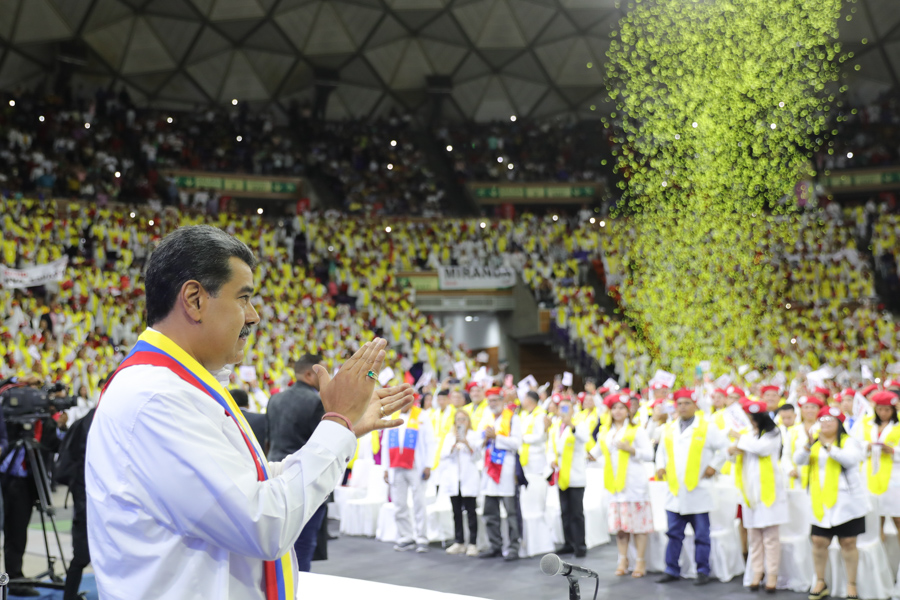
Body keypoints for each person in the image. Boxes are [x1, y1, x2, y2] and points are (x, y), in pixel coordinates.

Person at [86, 224, 414, 599]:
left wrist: (342, 430)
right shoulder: (157, 397)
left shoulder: (178, 385)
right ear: (194, 299)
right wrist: (336, 424)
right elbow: (262, 524)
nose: (254, 316)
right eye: (243, 298)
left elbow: (252, 482)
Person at [655, 387, 728, 586]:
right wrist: (660, 467)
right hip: (675, 492)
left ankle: (702, 570)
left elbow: (724, 448)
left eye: (687, 403)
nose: (683, 407)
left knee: (702, 536)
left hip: (699, 491)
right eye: (679, 403)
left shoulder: (707, 427)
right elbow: (661, 452)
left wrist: (714, 466)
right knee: (673, 535)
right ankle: (671, 569)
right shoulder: (669, 428)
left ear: (695, 405)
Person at [794, 406, 869, 600]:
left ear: (839, 424)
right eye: (822, 420)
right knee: (819, 541)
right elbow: (798, 460)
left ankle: (851, 584)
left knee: (848, 542)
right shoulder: (812, 443)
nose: (825, 423)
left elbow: (850, 460)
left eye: (831, 420)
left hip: (847, 502)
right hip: (820, 501)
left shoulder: (848, 442)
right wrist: (808, 445)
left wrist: (828, 446)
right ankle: (820, 581)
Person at [265, 354, 330, 572]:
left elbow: (268, 439)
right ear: (311, 374)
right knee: (302, 550)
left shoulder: (275, 399)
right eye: (323, 372)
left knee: (277, 548)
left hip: (273, 479)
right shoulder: (316, 402)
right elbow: (322, 445)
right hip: (303, 481)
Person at [590, 394, 653, 577]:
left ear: (628, 411)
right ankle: (623, 559)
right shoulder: (605, 432)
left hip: (634, 484)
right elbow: (595, 452)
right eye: (614, 408)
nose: (618, 411)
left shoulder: (636, 430)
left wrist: (631, 449)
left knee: (639, 526)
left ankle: (640, 561)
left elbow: (649, 454)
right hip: (615, 486)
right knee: (621, 527)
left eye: (621, 408)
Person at [728, 400, 788, 593]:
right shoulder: (749, 434)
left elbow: (761, 449)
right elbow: (737, 453)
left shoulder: (774, 433)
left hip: (768, 492)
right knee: (754, 537)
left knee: (770, 538)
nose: (751, 422)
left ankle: (772, 575)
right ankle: (756, 572)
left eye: (753, 419)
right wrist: (733, 450)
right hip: (750, 491)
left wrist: (740, 439)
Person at [381, 395, 436, 553]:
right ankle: (406, 537)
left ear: (412, 401)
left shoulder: (422, 416)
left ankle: (422, 537)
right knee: (399, 503)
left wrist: (428, 465)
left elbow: (430, 441)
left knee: (419, 502)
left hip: (416, 466)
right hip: (396, 466)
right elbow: (385, 443)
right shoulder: (392, 417)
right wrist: (385, 468)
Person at [478, 387, 522, 561]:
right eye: (490, 401)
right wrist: (485, 439)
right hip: (489, 469)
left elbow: (517, 443)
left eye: (495, 400)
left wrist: (497, 437)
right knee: (490, 512)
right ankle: (495, 545)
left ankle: (513, 547)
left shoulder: (512, 418)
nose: (492, 404)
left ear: (503, 401)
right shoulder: (486, 418)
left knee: (510, 512)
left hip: (506, 471)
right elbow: (478, 440)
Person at [853, 390, 900, 537]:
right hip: (869, 473)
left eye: (887, 409)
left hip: (894, 476)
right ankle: (880, 556)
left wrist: (893, 451)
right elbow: (854, 442)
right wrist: (866, 446)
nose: (883, 413)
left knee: (897, 516)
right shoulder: (866, 422)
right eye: (879, 409)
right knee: (874, 518)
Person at [548, 397, 590, 558]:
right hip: (561, 475)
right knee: (564, 511)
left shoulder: (579, 424)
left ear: (573, 410)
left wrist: (572, 425)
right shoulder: (555, 427)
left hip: (575, 475)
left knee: (576, 513)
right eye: (561, 408)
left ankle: (580, 545)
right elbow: (552, 447)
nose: (563, 412)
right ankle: (569, 542)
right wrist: (551, 460)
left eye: (567, 408)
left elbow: (584, 439)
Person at [440, 410, 481, 557]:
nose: (461, 422)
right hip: (454, 480)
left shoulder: (474, 435)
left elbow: (477, 456)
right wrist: (455, 444)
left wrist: (466, 443)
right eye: (458, 419)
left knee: (471, 512)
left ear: (468, 421)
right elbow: (444, 455)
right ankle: (459, 541)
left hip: (468, 479)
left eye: (464, 419)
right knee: (456, 512)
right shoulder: (449, 437)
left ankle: (473, 543)